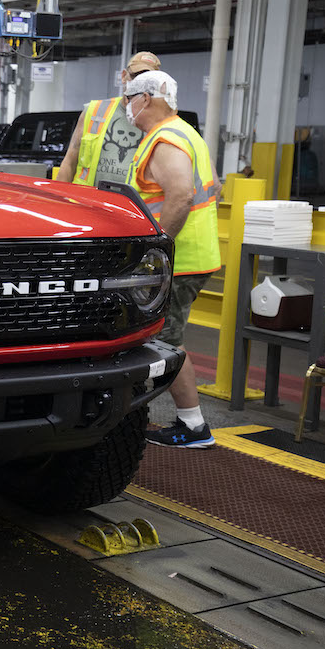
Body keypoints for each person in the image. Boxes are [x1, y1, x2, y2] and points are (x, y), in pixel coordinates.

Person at [122, 70, 222, 448]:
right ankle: (185, 422)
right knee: (164, 338)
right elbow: (214, 186)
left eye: (129, 99)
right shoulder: (186, 132)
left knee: (162, 342)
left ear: (145, 99)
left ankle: (193, 426)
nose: (127, 107)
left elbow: (181, 195)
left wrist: (157, 251)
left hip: (180, 261)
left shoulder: (165, 139)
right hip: (193, 256)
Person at [56, 51, 162, 186]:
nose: (139, 83)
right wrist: (58, 195)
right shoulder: (94, 111)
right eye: (135, 76)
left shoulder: (159, 121)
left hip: (130, 199)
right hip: (88, 197)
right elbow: (70, 160)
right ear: (123, 76)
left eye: (147, 79)